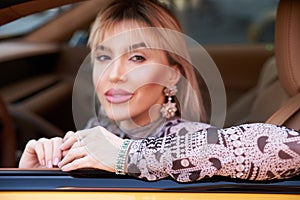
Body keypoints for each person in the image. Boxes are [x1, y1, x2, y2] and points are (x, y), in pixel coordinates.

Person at [19, 0, 300, 182]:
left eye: (137, 58)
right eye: (104, 57)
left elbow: (292, 148)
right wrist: (36, 174)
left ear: (172, 76)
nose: (114, 75)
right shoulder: (100, 129)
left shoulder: (189, 138)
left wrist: (129, 155)